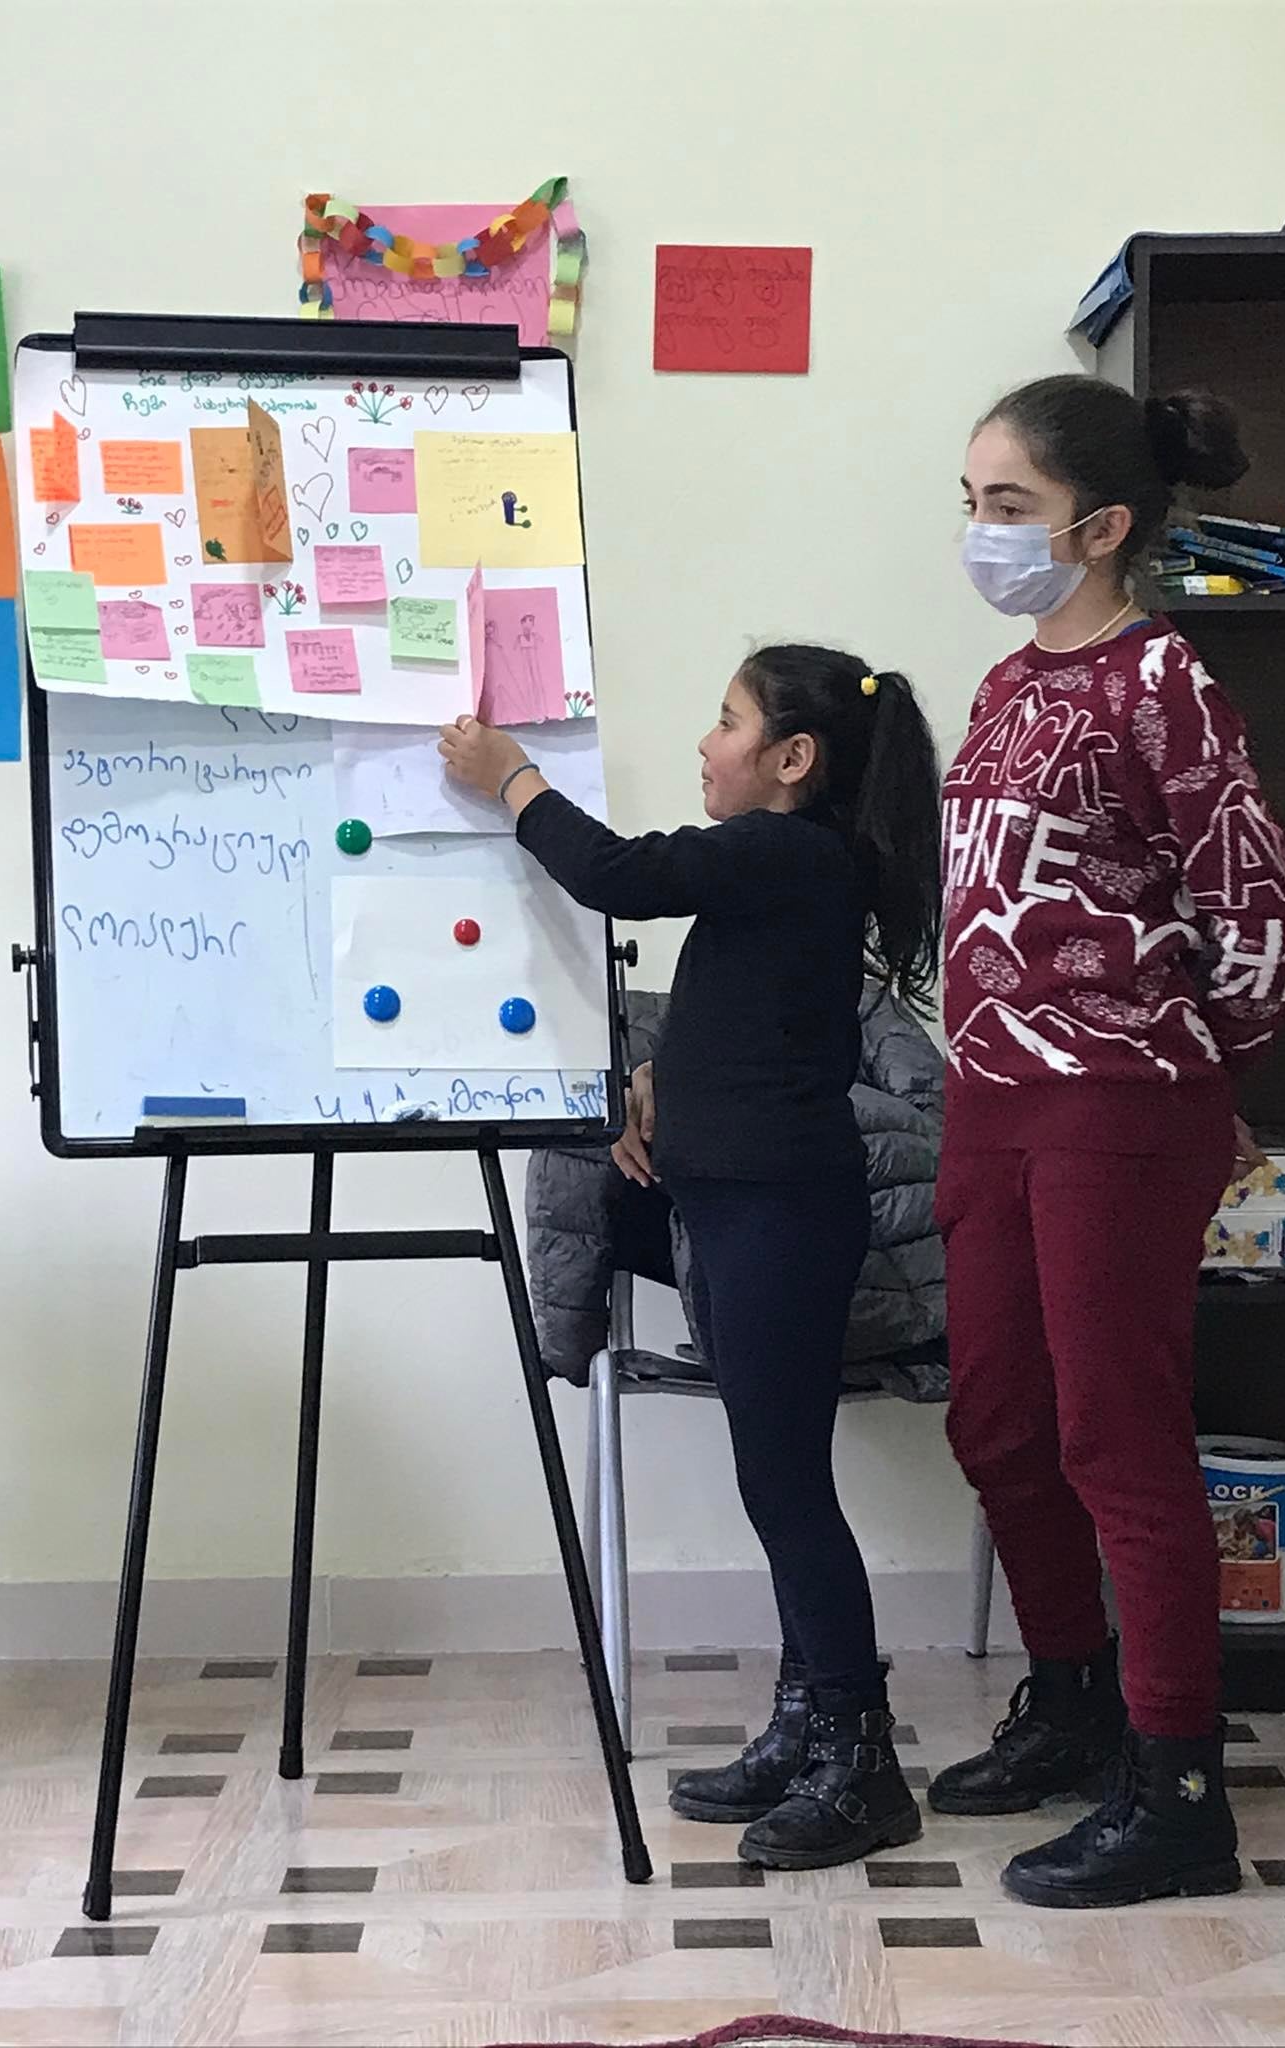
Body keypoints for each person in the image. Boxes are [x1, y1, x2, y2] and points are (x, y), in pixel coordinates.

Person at [440, 645, 943, 1871]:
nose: (705, 743)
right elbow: (759, 1022)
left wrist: (512, 779)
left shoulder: (785, 849)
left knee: (787, 1488)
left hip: (780, 1214)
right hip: (732, 1206)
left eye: (727, 721)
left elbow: (617, 873)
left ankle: (860, 1761)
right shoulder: (790, 870)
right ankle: (806, 1721)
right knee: (776, 1482)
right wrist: (664, 1078)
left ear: (792, 759)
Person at [937, 374, 1285, 1908]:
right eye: (970, 502)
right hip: (992, 1100)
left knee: (1117, 1438)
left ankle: (1177, 1792)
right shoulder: (1005, 684)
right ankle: (1073, 1703)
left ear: (1101, 528)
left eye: (1009, 507)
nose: (980, 531)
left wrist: (1187, 1080)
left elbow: (1272, 925)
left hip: (1117, 1106)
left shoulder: (1164, 679)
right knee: (998, 1424)